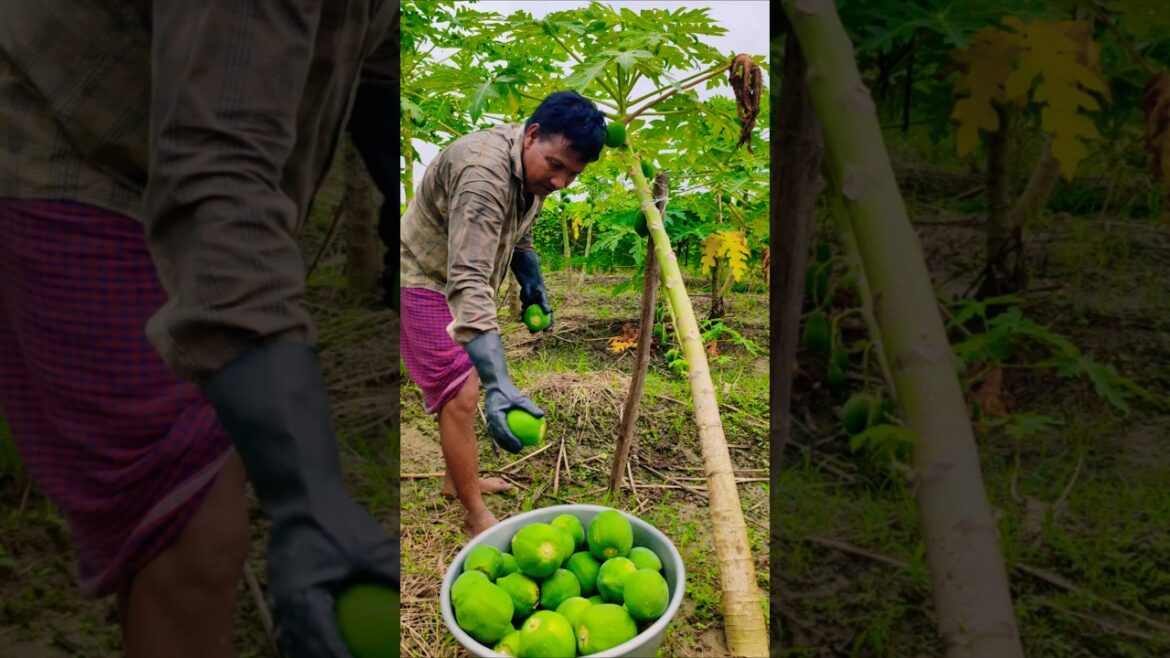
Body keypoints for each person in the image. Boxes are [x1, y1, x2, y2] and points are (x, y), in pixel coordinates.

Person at [0, 3, 400, 657]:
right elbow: (217, 167)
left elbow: (373, 52)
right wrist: (309, 498)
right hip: (76, 148)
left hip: (192, 164)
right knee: (190, 528)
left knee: (203, 489)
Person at [400, 91, 607, 536]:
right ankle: (474, 513)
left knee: (466, 385)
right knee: (463, 394)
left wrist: (533, 286)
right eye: (556, 167)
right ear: (531, 135)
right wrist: (501, 386)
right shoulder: (483, 175)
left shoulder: (535, 171)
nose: (560, 183)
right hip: (419, 277)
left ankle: (456, 480)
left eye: (573, 174)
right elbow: (469, 280)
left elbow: (520, 238)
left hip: (458, 277)